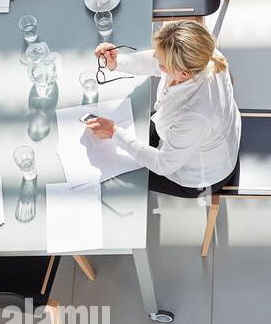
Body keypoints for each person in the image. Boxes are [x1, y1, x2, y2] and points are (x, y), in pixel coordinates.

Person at [88, 20, 241, 196]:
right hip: (193, 136)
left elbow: (162, 164)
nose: (158, 63)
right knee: (131, 141)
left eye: (163, 65)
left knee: (115, 177)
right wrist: (117, 62)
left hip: (201, 176)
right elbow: (156, 60)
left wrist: (115, 133)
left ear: (183, 74)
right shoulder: (204, 54)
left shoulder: (194, 116)